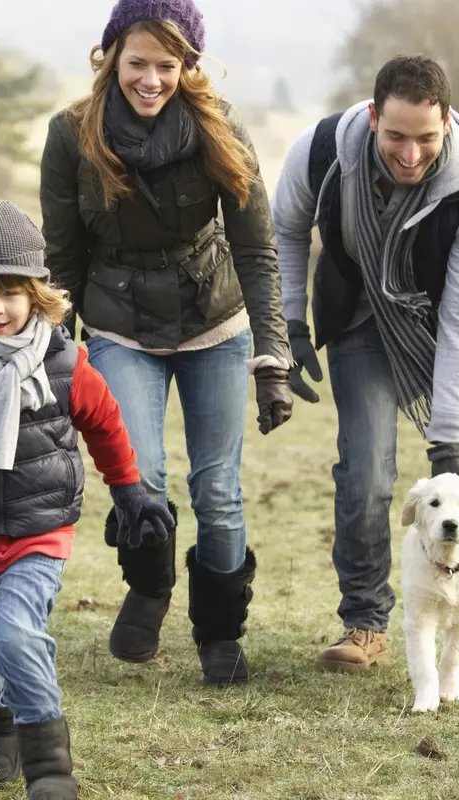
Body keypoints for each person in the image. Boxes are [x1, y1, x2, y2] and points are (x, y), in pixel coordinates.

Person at [40, 0, 293, 685]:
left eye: (167, 65)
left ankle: (218, 631)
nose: (151, 79)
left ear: (188, 66)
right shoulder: (72, 134)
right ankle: (149, 588)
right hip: (120, 323)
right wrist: (53, 363)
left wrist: (272, 357)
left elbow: (257, 251)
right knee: (139, 475)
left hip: (213, 319)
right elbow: (61, 263)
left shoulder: (219, 128)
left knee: (218, 490)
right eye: (138, 63)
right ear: (111, 56)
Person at [271, 55, 459, 671]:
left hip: (449, 322)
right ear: (371, 118)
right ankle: (365, 621)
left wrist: (447, 444)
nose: (411, 153)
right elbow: (285, 228)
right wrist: (288, 323)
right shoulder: (322, 151)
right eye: (395, 136)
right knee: (365, 474)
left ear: (448, 121)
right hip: (361, 320)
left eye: (426, 137)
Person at [0, 197, 174, 798]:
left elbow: (105, 423)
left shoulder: (64, 361)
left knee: (18, 635)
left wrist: (130, 491)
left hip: (38, 531)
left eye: (9, 291)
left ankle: (50, 768)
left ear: (36, 292)